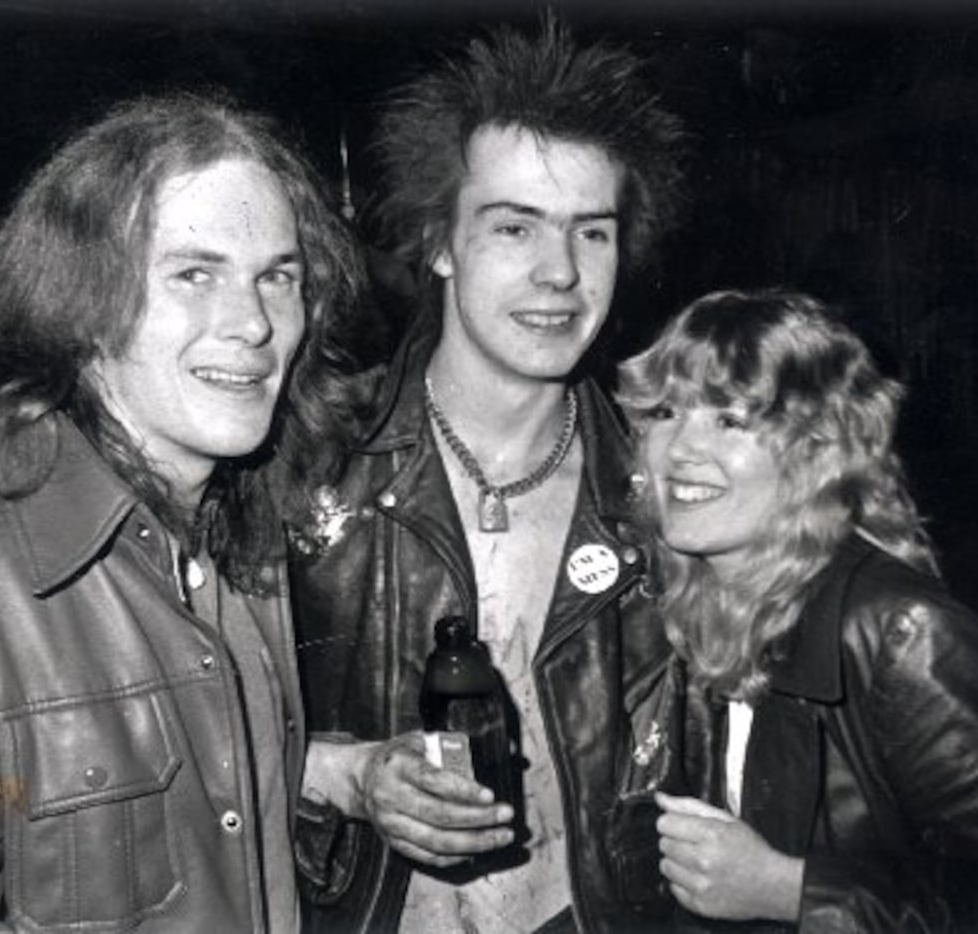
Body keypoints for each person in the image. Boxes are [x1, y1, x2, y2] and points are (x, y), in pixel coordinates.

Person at [0, 90, 368, 931]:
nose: (253, 323)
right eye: (194, 274)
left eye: (278, 278)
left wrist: (350, 776)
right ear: (79, 308)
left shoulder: (243, 544)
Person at [288, 18, 685, 934]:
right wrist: (345, 775)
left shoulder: (669, 488)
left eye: (591, 233)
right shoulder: (302, 458)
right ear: (440, 243)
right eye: (514, 227)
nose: (559, 275)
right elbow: (181, 728)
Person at [615, 288, 978, 931]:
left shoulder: (907, 636)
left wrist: (791, 891)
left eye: (731, 420)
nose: (680, 449)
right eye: (665, 411)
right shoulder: (684, 606)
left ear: (818, 453)